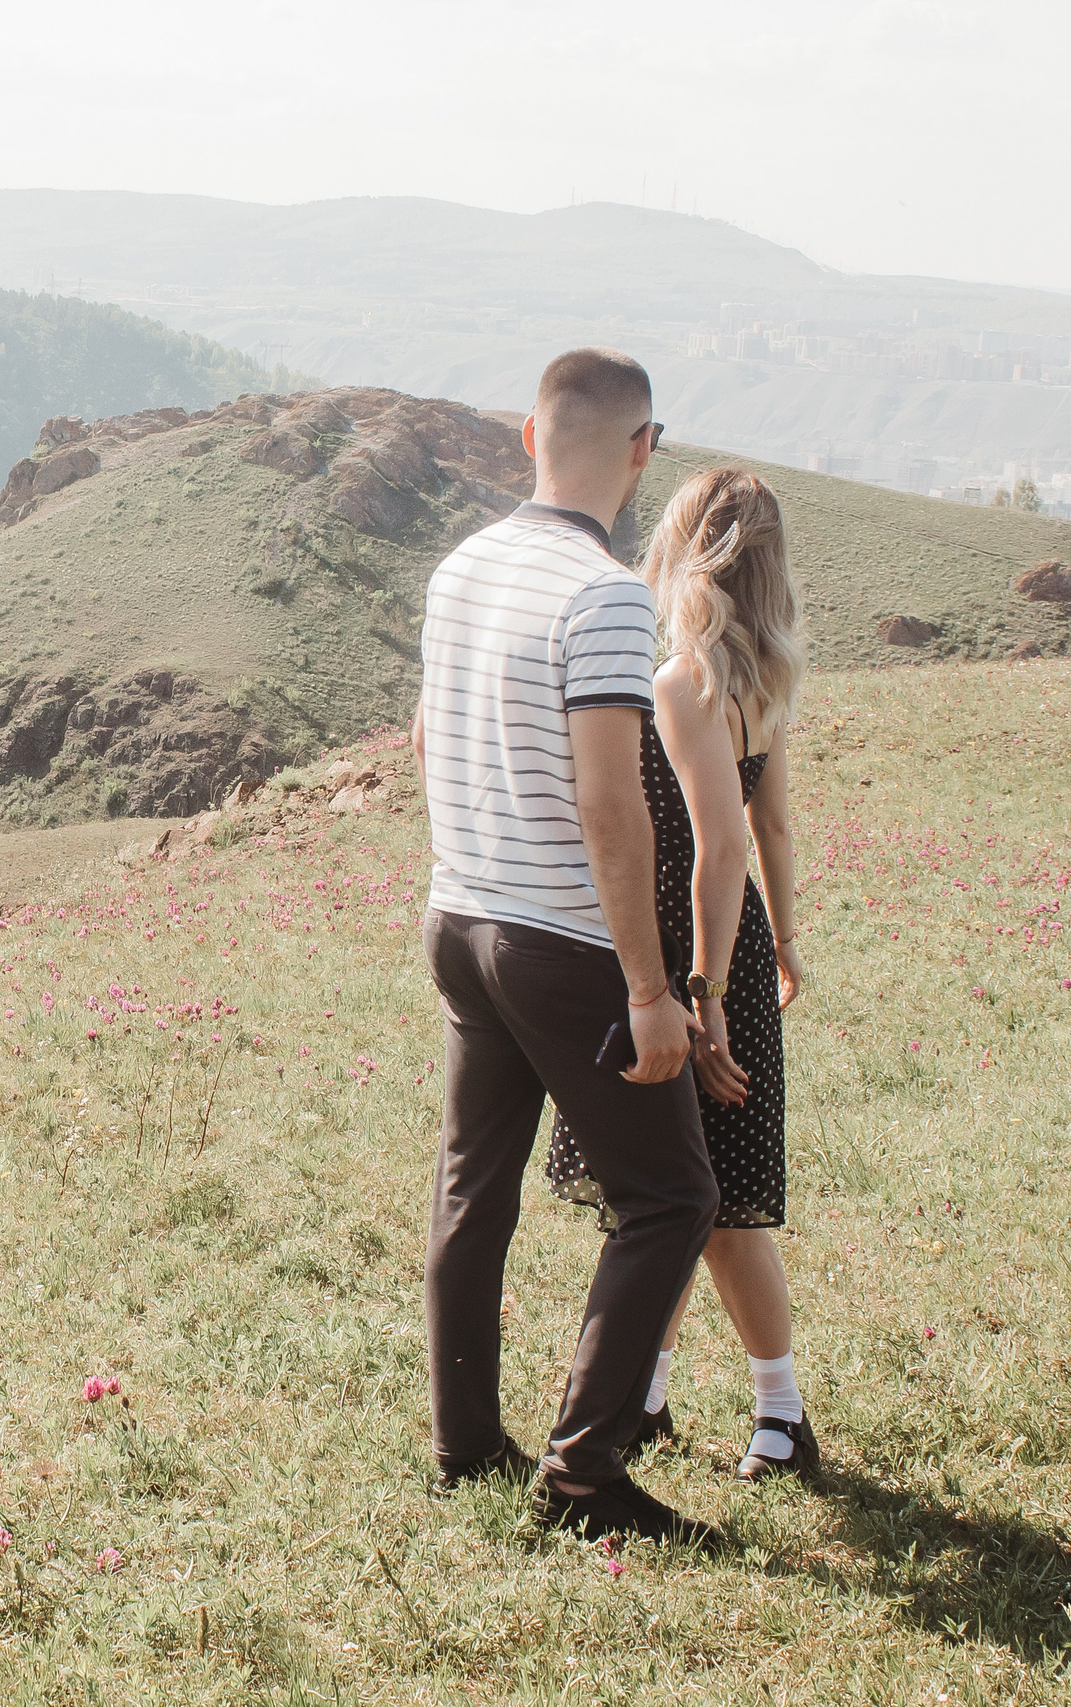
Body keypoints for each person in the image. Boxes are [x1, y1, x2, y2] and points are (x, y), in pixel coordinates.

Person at [411, 347, 722, 1549]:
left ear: (526, 437)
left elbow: (431, 738)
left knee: (470, 1188)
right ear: (643, 450)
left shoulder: (460, 569)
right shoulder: (602, 598)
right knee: (670, 1194)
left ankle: (462, 1443)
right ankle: (583, 1476)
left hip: (460, 918)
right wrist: (650, 988)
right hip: (557, 941)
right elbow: (610, 808)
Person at [546, 466, 815, 1481]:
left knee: (705, 1201)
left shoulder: (678, 681)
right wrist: (780, 945)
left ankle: (780, 1417)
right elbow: (775, 824)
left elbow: (721, 846)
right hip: (733, 949)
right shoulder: (760, 679)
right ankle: (649, 1396)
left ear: (684, 553)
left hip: (685, 955)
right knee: (680, 1195)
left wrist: (699, 997)